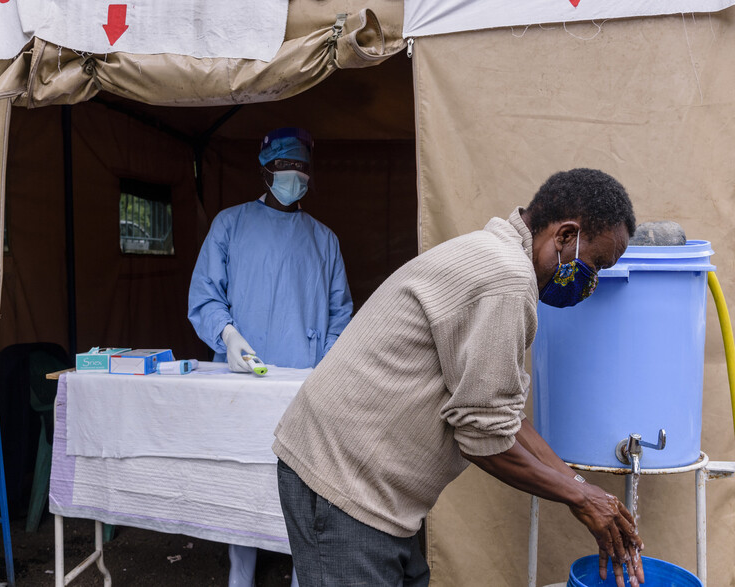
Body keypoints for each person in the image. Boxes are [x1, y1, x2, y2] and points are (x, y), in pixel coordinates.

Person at [272, 168, 646, 587]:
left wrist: (580, 487)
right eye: (595, 264)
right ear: (564, 236)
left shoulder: (497, 256)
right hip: (341, 484)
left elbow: (502, 417)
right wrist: (580, 496)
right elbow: (484, 440)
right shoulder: (505, 279)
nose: (590, 282)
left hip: (368, 483)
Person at [188, 127, 353, 587]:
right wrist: (227, 333)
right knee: (243, 476)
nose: (292, 177)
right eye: (283, 169)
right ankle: (241, 573)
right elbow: (204, 295)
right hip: (244, 377)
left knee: (304, 484)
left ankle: (304, 572)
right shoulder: (230, 225)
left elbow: (341, 312)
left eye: (300, 170)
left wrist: (327, 365)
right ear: (265, 172)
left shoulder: (324, 240)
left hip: (303, 382)